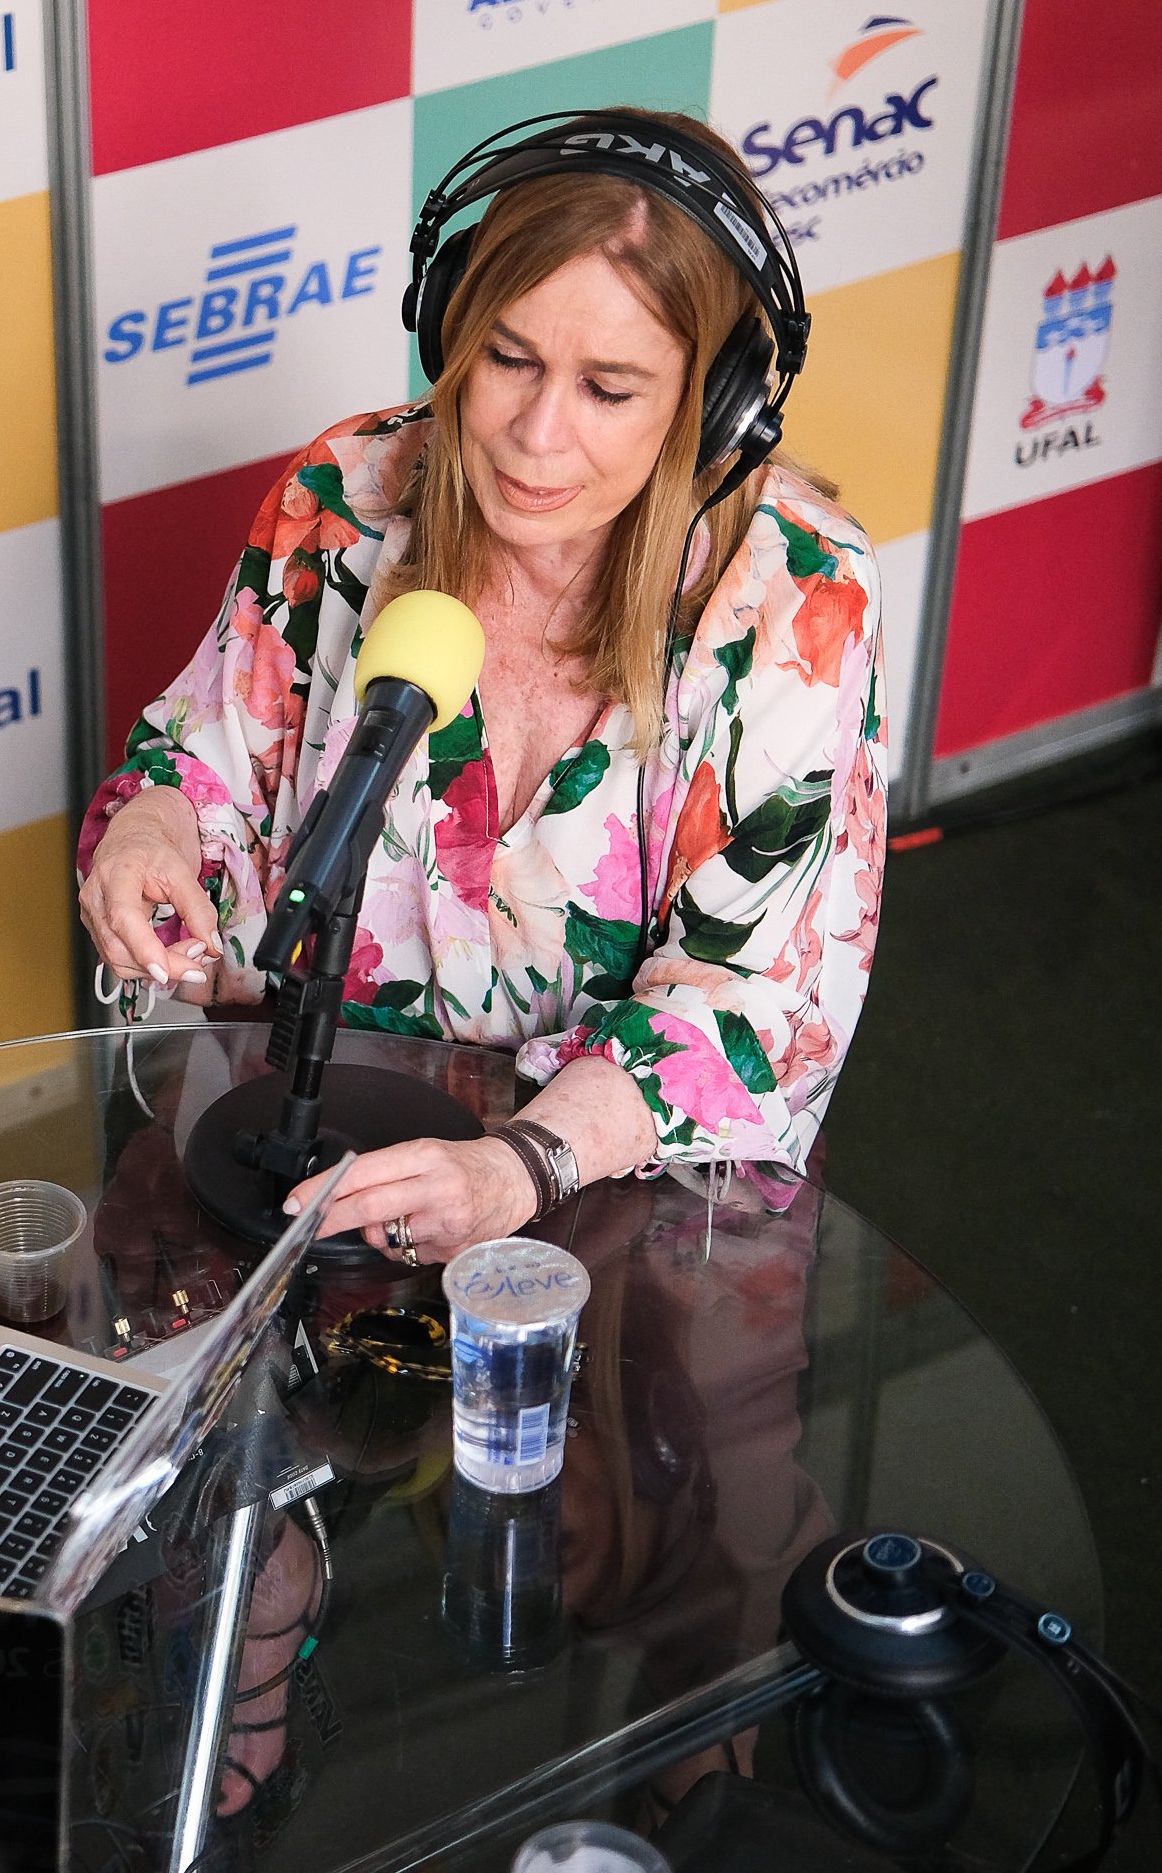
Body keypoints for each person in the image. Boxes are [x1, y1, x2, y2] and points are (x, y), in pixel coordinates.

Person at [77, 109, 887, 1265]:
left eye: (608, 388)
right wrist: (151, 830)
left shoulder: (798, 597)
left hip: (609, 1211)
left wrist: (522, 1163)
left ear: (714, 404)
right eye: (509, 358)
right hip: (296, 1147)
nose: (535, 435)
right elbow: (205, 766)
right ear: (451, 322)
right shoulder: (349, 493)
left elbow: (750, 996)